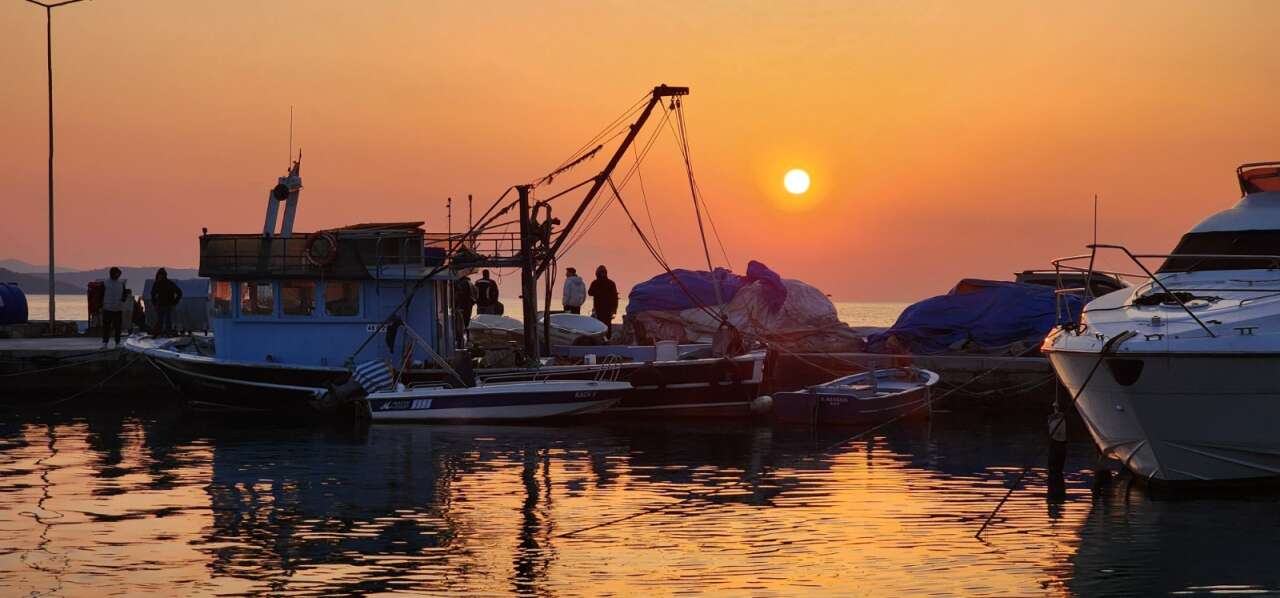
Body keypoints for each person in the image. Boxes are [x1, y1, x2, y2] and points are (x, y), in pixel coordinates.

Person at [588, 265, 619, 340]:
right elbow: (615, 297)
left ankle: (601, 339)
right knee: (607, 324)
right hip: (607, 308)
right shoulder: (611, 283)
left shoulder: (595, 283)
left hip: (599, 307)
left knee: (600, 324)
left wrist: (597, 293)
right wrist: (614, 309)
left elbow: (590, 292)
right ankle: (606, 339)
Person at [150, 268, 183, 336]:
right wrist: (155, 303)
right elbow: (153, 294)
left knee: (166, 320)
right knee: (161, 320)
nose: (159, 277)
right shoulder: (158, 284)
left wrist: (174, 302)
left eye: (161, 275)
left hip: (167, 305)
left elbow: (179, 293)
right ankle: (160, 333)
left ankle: (166, 333)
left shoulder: (168, 283)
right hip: (161, 305)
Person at [101, 267, 126, 347]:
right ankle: (105, 342)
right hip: (107, 308)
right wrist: (100, 306)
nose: (118, 275)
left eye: (118, 274)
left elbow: (124, 295)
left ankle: (117, 342)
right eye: (116, 273)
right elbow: (100, 295)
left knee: (118, 327)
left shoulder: (121, 283)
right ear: (112, 273)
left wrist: (122, 300)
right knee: (106, 327)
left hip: (118, 309)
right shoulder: (105, 283)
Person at [454, 274, 475, 347]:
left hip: (462, 307)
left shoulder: (461, 283)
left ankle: (462, 341)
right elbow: (475, 296)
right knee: (466, 323)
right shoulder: (471, 283)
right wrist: (472, 303)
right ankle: (467, 339)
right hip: (469, 306)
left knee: (460, 325)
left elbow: (459, 295)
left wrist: (457, 305)